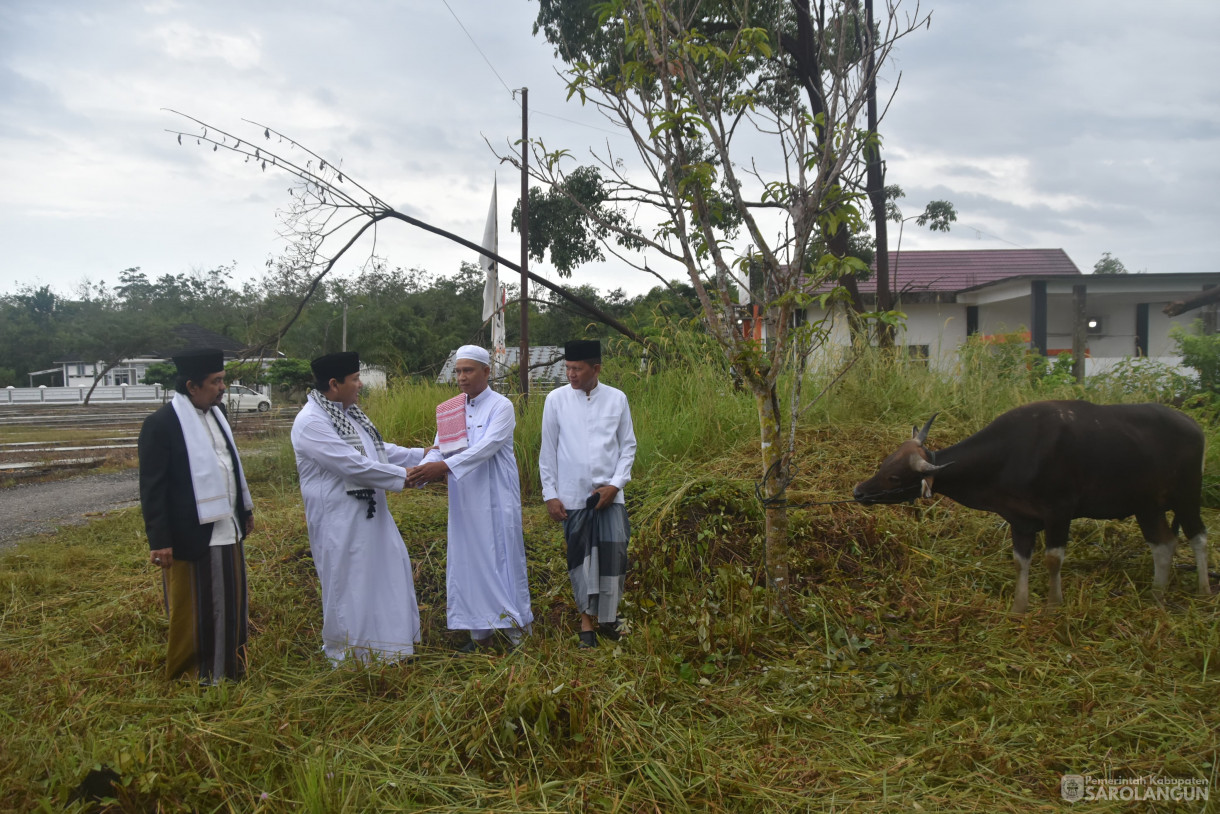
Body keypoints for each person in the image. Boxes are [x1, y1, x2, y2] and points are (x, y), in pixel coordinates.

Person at [290, 351, 424, 665]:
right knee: (352, 586)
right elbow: (352, 464)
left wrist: (422, 455)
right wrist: (408, 477)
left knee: (386, 575)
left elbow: (379, 450)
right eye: (355, 379)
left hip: (371, 515)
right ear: (334, 384)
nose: (360, 385)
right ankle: (354, 657)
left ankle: (391, 650)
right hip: (340, 522)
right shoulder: (311, 422)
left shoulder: (348, 414)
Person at [138, 348, 254, 682]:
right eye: (216, 382)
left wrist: (244, 509)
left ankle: (228, 669)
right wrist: (159, 540)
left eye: (223, 380)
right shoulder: (161, 425)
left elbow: (230, 467)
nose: (223, 388)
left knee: (231, 603)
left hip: (226, 528)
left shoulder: (219, 416)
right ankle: (192, 675)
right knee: (196, 607)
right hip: (191, 534)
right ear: (192, 386)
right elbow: (153, 488)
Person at [407, 345, 533, 652]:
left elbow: (485, 448)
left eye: (468, 370)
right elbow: (439, 448)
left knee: (503, 561)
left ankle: (518, 635)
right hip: (464, 501)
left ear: (486, 372)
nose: (462, 377)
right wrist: (422, 471)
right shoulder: (450, 408)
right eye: (458, 371)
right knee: (468, 563)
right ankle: (481, 637)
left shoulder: (501, 406)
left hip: (496, 498)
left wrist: (443, 467)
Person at [539, 339, 637, 648]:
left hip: (610, 497)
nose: (571, 374)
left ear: (596, 368)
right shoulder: (555, 400)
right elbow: (548, 451)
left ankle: (608, 618)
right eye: (567, 368)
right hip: (572, 496)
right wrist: (550, 494)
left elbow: (628, 447)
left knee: (614, 558)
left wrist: (615, 485)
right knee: (580, 561)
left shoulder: (617, 399)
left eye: (577, 369)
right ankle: (586, 625)